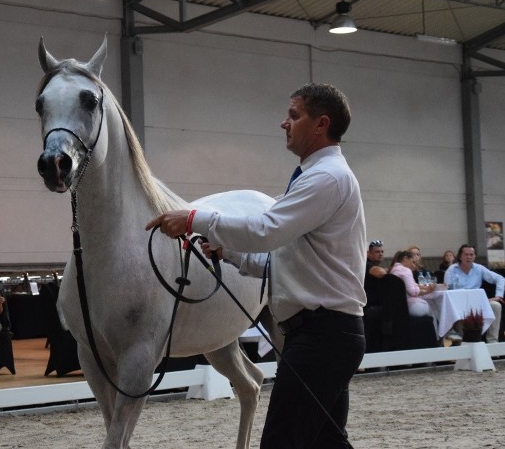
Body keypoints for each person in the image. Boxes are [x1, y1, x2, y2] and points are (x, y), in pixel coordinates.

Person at [146, 83, 366, 449]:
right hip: (323, 334)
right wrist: (227, 253)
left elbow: (265, 231)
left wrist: (194, 219)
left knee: (283, 442)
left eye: (294, 115)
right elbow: (281, 260)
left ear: (320, 124)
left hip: (323, 336)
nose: (285, 123)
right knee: (325, 442)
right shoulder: (314, 178)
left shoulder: (325, 178)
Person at [445, 245, 505, 343]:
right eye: (466, 254)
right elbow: (446, 289)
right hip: (458, 303)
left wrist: (498, 296)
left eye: (471, 254)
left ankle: (492, 341)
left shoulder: (479, 268)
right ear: (460, 256)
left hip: (477, 302)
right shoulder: (451, 270)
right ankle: (460, 341)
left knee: (496, 306)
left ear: (474, 256)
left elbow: (500, 278)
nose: (469, 257)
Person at [389, 250, 434, 317]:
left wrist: (426, 287)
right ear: (405, 258)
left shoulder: (393, 270)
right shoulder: (405, 270)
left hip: (395, 306)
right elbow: (412, 292)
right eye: (413, 262)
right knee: (434, 306)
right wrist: (428, 290)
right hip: (410, 306)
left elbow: (413, 285)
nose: (414, 266)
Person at [364, 239, 386, 311]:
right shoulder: (367, 264)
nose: (380, 254)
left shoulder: (373, 265)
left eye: (382, 252)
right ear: (368, 253)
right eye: (377, 252)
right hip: (370, 308)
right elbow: (380, 273)